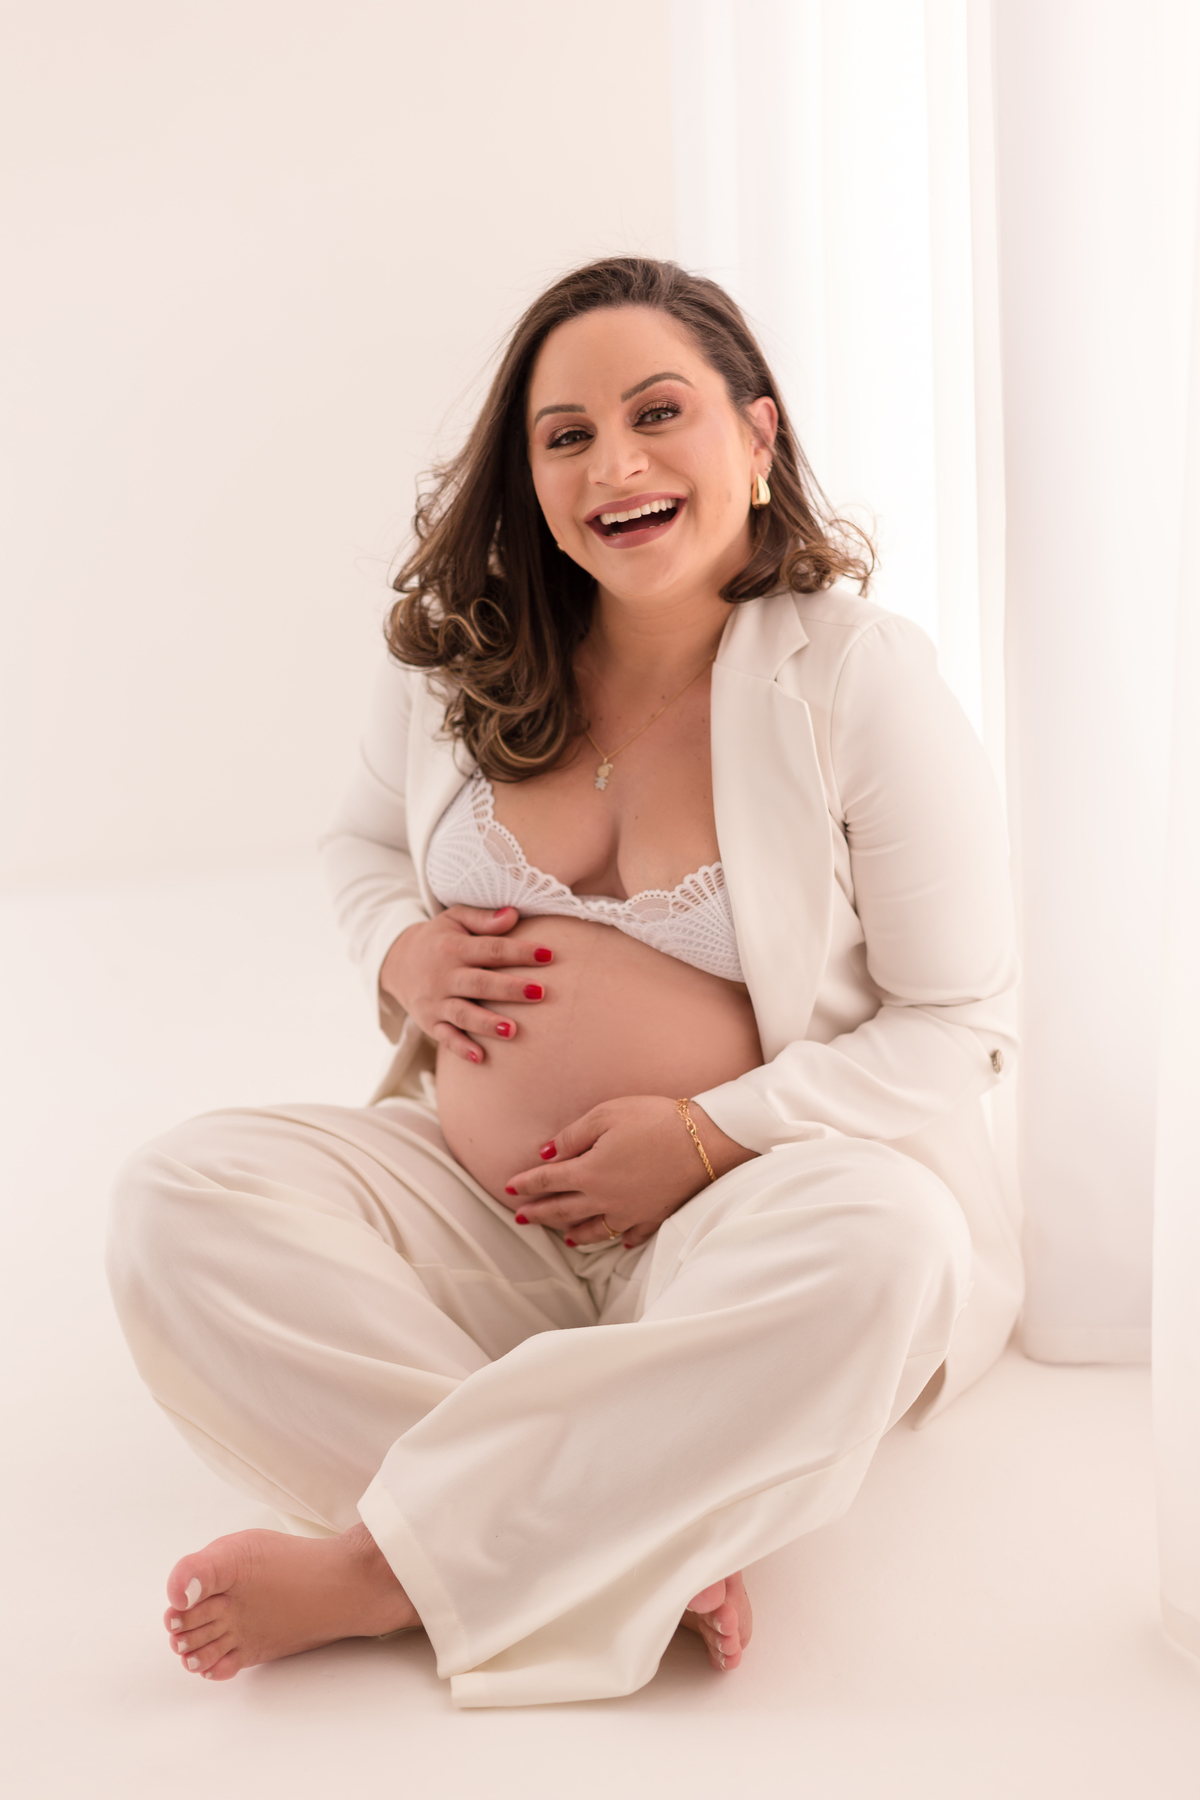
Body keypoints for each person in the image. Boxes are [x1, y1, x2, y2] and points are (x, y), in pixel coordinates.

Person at [108, 256, 1021, 1709]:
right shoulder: (460, 661)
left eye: (659, 414)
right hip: (489, 1217)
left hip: (738, 1220)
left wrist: (707, 1136)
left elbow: (958, 1021)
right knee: (178, 1199)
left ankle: (386, 1568)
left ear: (757, 436)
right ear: (528, 475)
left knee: (891, 1242)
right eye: (568, 435)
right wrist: (401, 949)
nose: (617, 465)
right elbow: (360, 846)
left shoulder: (856, 679)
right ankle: (632, 1515)